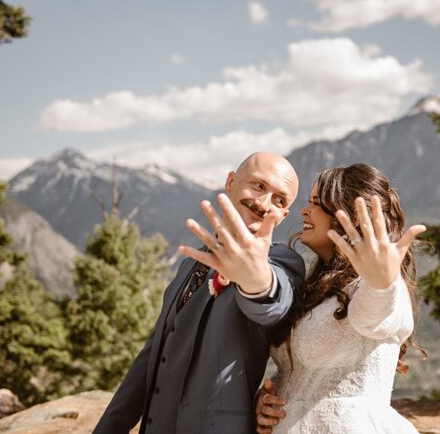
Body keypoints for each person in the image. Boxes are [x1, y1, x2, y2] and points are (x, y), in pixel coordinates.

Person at [94, 152, 306, 434]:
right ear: (230, 182)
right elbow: (152, 356)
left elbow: (272, 303)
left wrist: (257, 282)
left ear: (284, 215)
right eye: (258, 186)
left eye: (279, 200)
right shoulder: (188, 265)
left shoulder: (281, 263)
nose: (264, 204)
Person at [254, 164, 426, 434]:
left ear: (352, 216)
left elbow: (376, 315)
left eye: (317, 203)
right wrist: (267, 397)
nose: (304, 211)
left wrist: (381, 284)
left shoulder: (373, 285)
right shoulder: (317, 291)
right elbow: (307, 373)